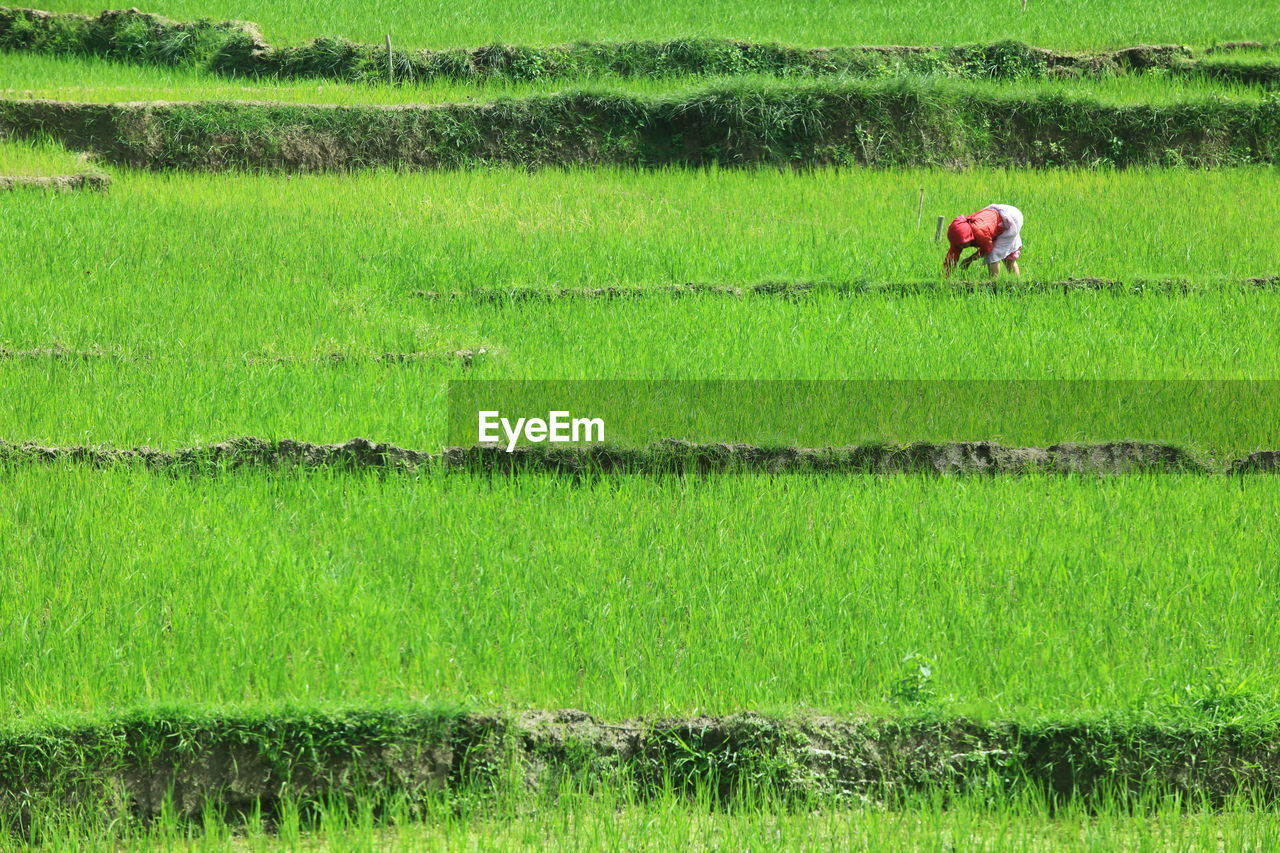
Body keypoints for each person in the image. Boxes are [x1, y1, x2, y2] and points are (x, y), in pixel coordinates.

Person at [943, 204, 1023, 278]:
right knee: (1003, 253)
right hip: (998, 215)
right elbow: (951, 259)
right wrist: (945, 278)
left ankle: (994, 285)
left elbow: (987, 249)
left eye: (963, 244)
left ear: (969, 236)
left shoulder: (979, 232)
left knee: (993, 255)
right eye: (959, 245)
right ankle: (1016, 281)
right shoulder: (958, 235)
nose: (961, 247)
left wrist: (969, 260)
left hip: (1010, 218)